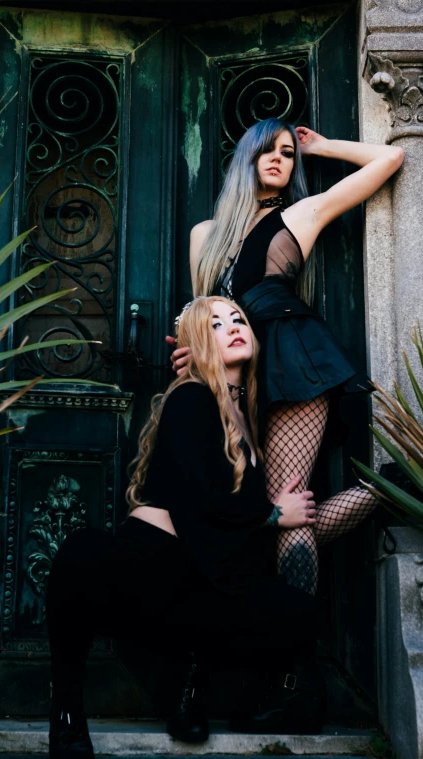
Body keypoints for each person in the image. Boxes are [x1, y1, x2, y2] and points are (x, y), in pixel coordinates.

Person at [46, 296, 324, 759]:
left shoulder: (244, 418)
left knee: (294, 609)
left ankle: (193, 689)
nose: (234, 326)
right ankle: (67, 716)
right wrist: (274, 516)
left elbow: (226, 525)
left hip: (196, 575)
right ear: (195, 346)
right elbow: (198, 498)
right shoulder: (191, 396)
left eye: (239, 319)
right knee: (80, 552)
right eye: (216, 325)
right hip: (150, 562)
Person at [169, 119, 404, 595]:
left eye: (287, 152)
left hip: (294, 360)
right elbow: (201, 310)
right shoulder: (205, 234)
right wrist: (191, 350)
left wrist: (320, 146)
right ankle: (393, 487)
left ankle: (287, 660)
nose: (279, 157)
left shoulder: (301, 214)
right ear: (245, 159)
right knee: (266, 515)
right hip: (233, 376)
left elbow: (391, 159)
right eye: (267, 150)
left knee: (284, 503)